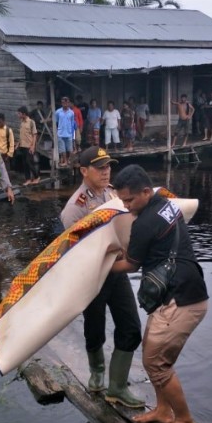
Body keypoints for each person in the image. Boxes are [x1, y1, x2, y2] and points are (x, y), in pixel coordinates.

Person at [111, 164, 209, 423]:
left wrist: (99, 268)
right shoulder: (165, 204)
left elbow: (130, 265)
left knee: (155, 362)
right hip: (187, 291)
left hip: (181, 300)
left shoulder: (145, 222)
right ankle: (163, 410)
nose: (127, 207)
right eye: (123, 201)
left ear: (145, 192)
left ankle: (185, 421)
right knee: (155, 355)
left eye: (130, 200)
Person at [60, 146, 144, 408]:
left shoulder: (113, 194)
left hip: (117, 272)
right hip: (92, 277)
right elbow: (75, 249)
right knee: (94, 326)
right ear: (84, 171)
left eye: (108, 166)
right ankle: (97, 373)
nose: (107, 171)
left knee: (130, 326)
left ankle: (117, 386)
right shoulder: (75, 208)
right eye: (100, 167)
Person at [16, 106, 39, 185]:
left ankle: (37, 177)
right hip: (23, 146)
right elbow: (21, 135)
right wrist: (18, 144)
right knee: (25, 164)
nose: (18, 115)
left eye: (19, 114)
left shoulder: (31, 122)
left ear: (24, 114)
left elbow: (34, 135)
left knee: (29, 162)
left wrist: (33, 146)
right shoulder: (22, 123)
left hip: (29, 146)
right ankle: (28, 179)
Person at [54, 96, 76, 167]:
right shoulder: (58, 112)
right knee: (62, 149)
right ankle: (65, 161)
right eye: (63, 103)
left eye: (66, 103)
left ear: (68, 103)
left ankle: (69, 160)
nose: (65, 104)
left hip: (69, 133)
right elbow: (56, 122)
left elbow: (72, 123)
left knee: (70, 149)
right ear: (61, 103)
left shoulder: (71, 113)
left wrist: (73, 133)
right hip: (61, 133)